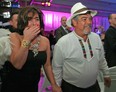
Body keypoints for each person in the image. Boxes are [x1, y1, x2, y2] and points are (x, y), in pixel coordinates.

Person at [52, 2, 111, 92]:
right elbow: (57, 68)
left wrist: (106, 74)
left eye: (90, 19)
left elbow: (101, 59)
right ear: (74, 22)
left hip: (93, 87)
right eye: (84, 19)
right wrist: (57, 86)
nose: (89, 22)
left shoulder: (96, 38)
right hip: (71, 88)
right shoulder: (62, 43)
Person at [0, 6, 61, 92]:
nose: (34, 23)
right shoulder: (14, 37)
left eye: (37, 19)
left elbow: (47, 65)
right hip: (12, 86)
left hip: (33, 86)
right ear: (23, 22)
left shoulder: (45, 41)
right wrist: (27, 39)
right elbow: (18, 64)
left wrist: (54, 85)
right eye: (29, 19)